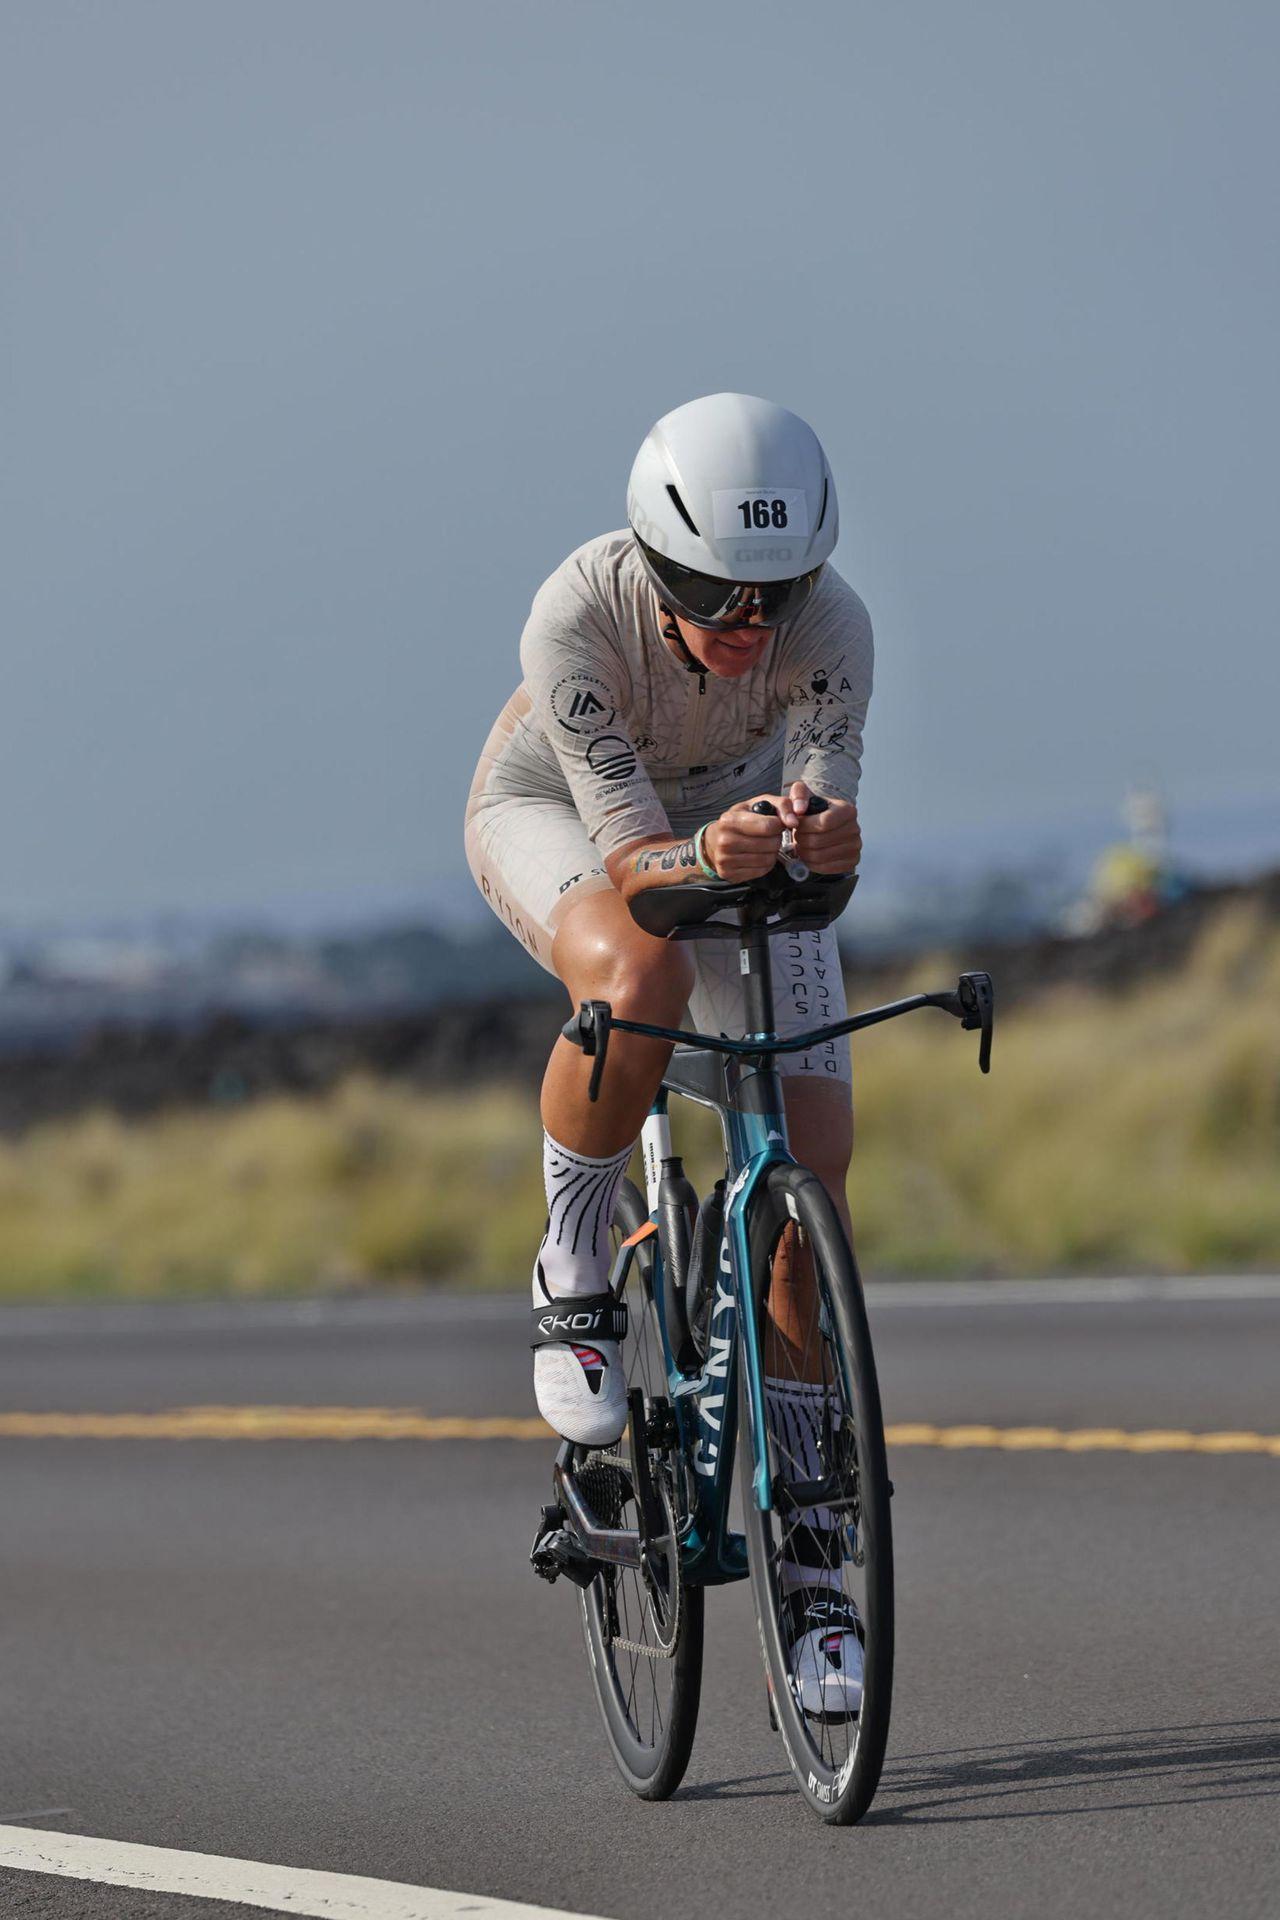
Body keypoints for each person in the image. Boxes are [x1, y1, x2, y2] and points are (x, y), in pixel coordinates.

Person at [465, 393, 873, 1713]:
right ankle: (577, 1266)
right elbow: (643, 872)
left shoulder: (837, 628)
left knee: (813, 1179)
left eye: (778, 588)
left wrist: (828, 844)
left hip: (737, 831)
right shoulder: (575, 617)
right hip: (576, 823)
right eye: (712, 588)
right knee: (645, 971)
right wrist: (711, 853)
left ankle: (816, 1578)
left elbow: (824, 849)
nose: (749, 622)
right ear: (653, 555)